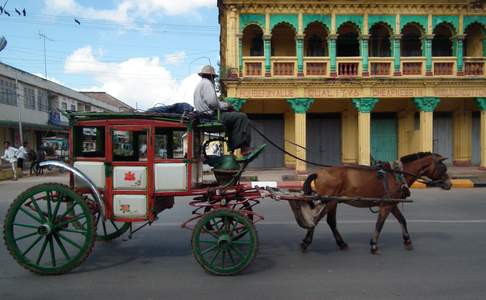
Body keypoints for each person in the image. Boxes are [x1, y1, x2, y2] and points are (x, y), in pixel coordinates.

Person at [193, 65, 252, 155]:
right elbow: (212, 103)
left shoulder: (199, 85)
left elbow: (211, 102)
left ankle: (233, 147)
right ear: (212, 76)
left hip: (204, 116)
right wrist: (226, 105)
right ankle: (244, 148)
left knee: (233, 119)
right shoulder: (207, 84)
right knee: (241, 117)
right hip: (211, 117)